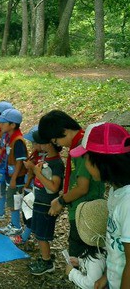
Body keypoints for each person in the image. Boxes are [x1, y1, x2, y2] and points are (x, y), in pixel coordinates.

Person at [70, 122, 130, 289]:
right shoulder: (115, 191)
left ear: (101, 161)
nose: (86, 166)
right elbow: (117, 247)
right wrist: (107, 275)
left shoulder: (127, 203)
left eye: (86, 159)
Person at [38, 110, 105, 257]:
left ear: (64, 131)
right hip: (81, 208)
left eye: (56, 141)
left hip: (86, 212)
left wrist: (61, 200)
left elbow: (82, 187)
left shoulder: (82, 148)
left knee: (82, 258)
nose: (58, 145)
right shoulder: (78, 145)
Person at [25, 131, 65, 275]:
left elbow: (54, 186)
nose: (37, 145)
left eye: (40, 142)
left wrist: (37, 172)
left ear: (48, 144)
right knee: (39, 233)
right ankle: (44, 256)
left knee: (42, 235)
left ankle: (47, 262)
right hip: (39, 200)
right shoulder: (46, 158)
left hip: (47, 204)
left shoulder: (56, 163)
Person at [0, 108, 28, 236]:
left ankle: (16, 226)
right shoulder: (9, 137)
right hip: (10, 175)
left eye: (4, 123)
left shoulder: (18, 141)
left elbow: (20, 162)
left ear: (13, 125)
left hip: (17, 178)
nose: (0, 125)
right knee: (11, 202)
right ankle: (13, 223)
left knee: (14, 202)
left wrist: (14, 179)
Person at [66, 199, 107, 289]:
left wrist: (72, 273)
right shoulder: (104, 248)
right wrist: (81, 262)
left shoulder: (95, 258)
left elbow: (91, 284)